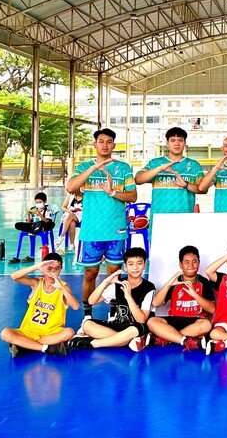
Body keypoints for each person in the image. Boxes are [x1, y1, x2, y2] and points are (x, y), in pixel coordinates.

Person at [66, 128, 137, 318]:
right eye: (101, 141)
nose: (105, 145)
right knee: (90, 273)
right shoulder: (84, 167)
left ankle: (113, 313)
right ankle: (87, 315)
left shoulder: (123, 168)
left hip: (116, 230)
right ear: (95, 144)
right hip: (91, 231)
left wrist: (112, 192)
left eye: (109, 141)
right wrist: (94, 168)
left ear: (114, 145)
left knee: (114, 275)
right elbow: (70, 187)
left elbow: (133, 196)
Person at [68, 247, 155, 352]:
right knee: (87, 325)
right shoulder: (118, 285)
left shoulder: (149, 288)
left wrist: (128, 297)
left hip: (136, 327)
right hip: (119, 325)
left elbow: (141, 320)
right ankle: (127, 341)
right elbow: (91, 301)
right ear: (125, 267)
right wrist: (106, 282)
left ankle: (93, 343)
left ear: (144, 265)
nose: (135, 267)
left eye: (139, 263)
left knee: (134, 330)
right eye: (131, 264)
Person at [0, 253, 79, 357]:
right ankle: (45, 348)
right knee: (5, 333)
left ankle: (25, 345)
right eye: (49, 268)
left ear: (61, 269)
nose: (52, 272)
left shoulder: (64, 287)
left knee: (69, 332)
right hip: (29, 331)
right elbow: (14, 276)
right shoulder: (36, 283)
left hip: (51, 333)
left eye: (57, 269)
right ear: (43, 268)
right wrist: (37, 266)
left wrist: (61, 288)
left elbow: (76, 306)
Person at [146, 245, 215, 350]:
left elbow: (212, 309)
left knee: (206, 325)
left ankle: (166, 338)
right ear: (180, 265)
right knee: (151, 321)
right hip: (174, 320)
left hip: (195, 321)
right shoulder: (175, 282)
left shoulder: (204, 282)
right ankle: (186, 340)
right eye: (187, 262)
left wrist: (195, 295)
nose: (191, 265)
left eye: (194, 261)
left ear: (199, 263)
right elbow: (155, 303)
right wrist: (169, 284)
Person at [135, 127, 205, 214]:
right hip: (159, 217)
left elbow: (203, 190)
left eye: (180, 140)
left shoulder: (194, 165)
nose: (177, 143)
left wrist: (186, 185)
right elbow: (138, 180)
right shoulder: (155, 163)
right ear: (167, 143)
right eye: (172, 140)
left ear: (185, 143)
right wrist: (160, 169)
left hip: (185, 217)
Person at [8, 192, 58, 264]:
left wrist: (40, 214)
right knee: (18, 225)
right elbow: (29, 222)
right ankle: (34, 230)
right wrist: (29, 215)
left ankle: (39, 229)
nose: (38, 204)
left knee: (50, 224)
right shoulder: (33, 209)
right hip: (33, 226)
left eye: (40, 202)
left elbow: (46, 221)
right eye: (37, 202)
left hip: (43, 224)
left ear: (45, 202)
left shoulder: (47, 210)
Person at [57, 187, 83, 254]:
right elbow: (63, 207)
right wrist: (68, 210)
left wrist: (79, 209)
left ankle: (61, 236)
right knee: (72, 223)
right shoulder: (70, 196)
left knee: (71, 216)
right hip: (70, 214)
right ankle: (72, 244)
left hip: (81, 215)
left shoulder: (86, 196)